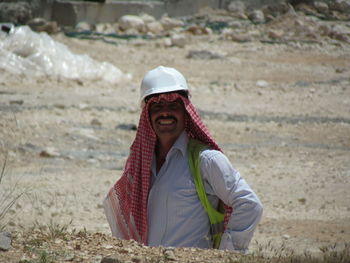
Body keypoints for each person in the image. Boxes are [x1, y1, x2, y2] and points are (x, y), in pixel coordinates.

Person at [104, 66, 263, 252]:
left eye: (173, 105)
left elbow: (249, 205)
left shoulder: (206, 160)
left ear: (186, 111)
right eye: (157, 106)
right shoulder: (141, 163)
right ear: (146, 113)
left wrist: (227, 254)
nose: (165, 113)